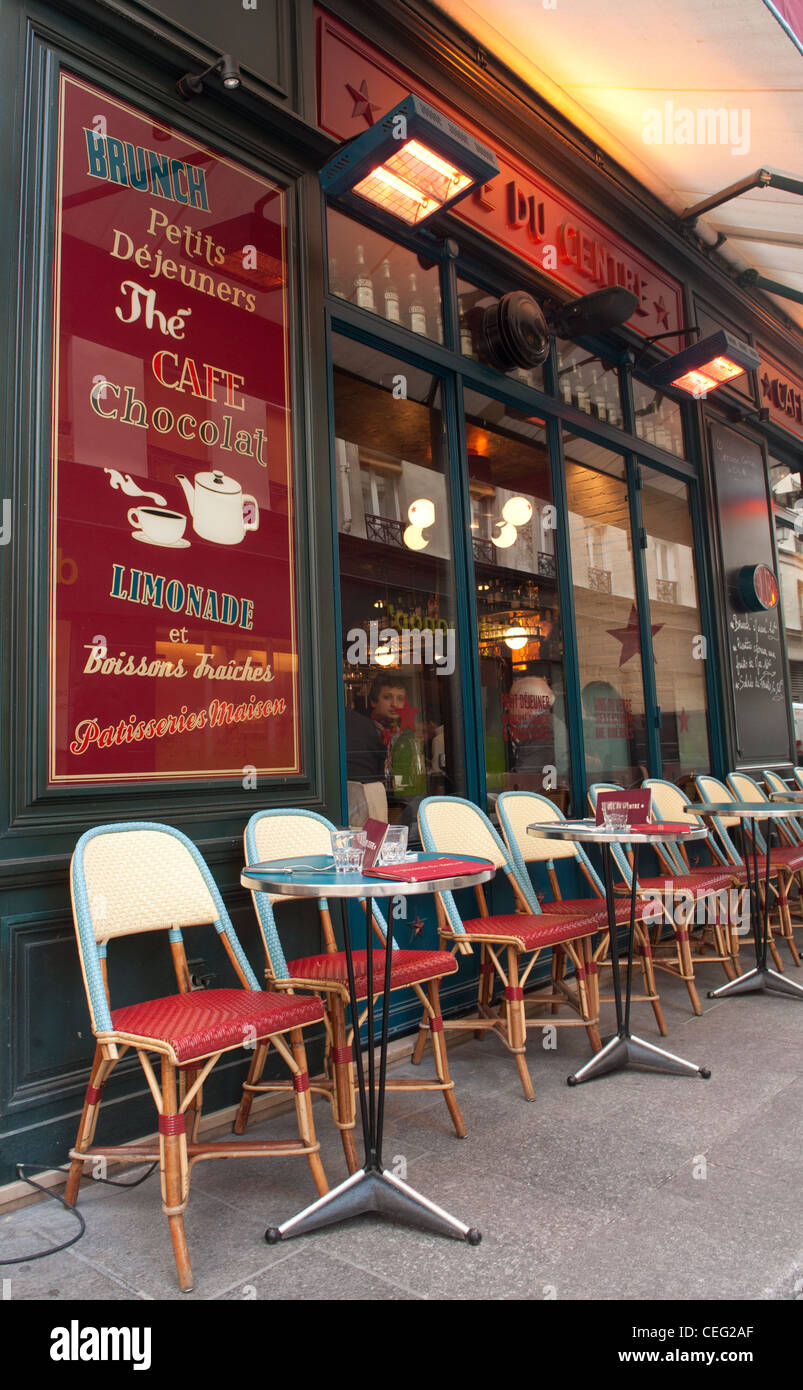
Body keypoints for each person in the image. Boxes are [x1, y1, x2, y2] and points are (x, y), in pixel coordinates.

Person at [345, 676, 406, 828]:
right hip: (366, 808)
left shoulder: (404, 736)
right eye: (387, 697)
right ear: (373, 701)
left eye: (400, 699)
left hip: (399, 803)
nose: (394, 704)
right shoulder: (359, 730)